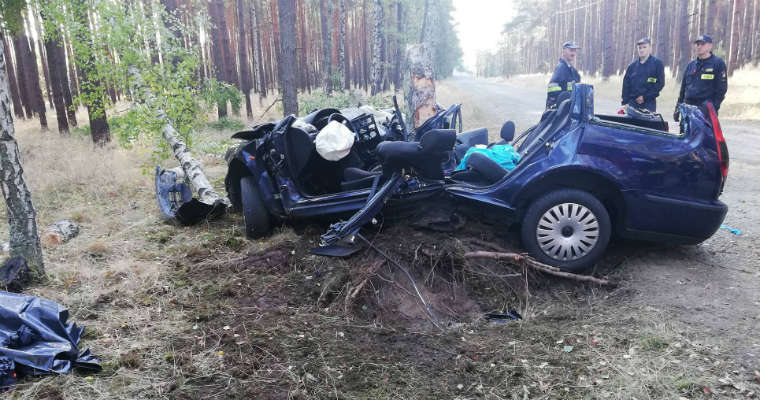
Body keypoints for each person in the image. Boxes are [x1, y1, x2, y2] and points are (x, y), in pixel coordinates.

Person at [675, 34, 728, 121]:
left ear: (710, 46)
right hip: (687, 109)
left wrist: (713, 108)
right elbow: (683, 89)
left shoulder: (718, 63)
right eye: (698, 44)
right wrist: (678, 107)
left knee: (703, 135)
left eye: (702, 44)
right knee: (686, 134)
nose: (699, 46)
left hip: (705, 112)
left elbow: (721, 89)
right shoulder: (691, 65)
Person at [621, 38, 665, 112]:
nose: (641, 50)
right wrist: (625, 102)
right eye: (639, 48)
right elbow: (626, 85)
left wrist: (644, 97)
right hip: (633, 104)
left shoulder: (657, 64)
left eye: (644, 47)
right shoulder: (632, 66)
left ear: (650, 48)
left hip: (648, 103)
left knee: (646, 123)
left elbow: (660, 84)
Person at [546, 41, 581, 109]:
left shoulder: (573, 71)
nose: (573, 53)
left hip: (569, 107)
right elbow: (552, 89)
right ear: (564, 51)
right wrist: (563, 99)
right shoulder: (561, 68)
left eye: (575, 51)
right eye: (571, 50)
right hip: (559, 109)